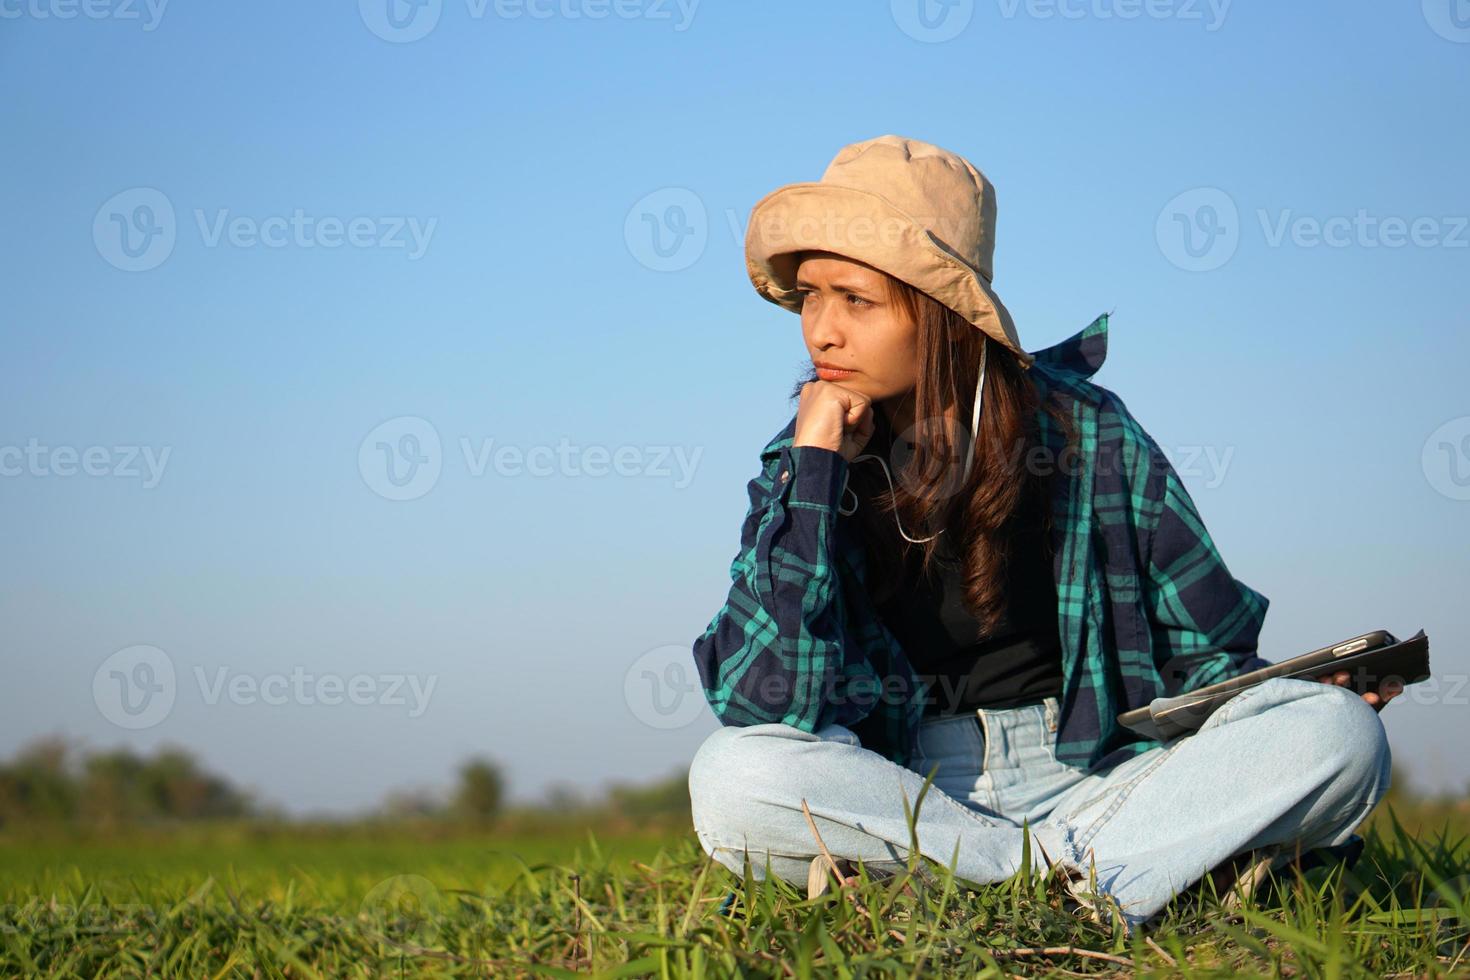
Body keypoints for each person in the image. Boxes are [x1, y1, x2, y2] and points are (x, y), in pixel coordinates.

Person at [686, 135, 1399, 933]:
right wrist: (814, 474)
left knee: (1338, 734)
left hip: (1098, 773)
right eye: (811, 296)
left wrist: (1285, 693)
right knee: (731, 776)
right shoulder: (806, 461)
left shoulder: (1087, 431)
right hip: (902, 788)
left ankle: (999, 888)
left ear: (943, 314)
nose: (821, 330)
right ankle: (1088, 884)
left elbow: (1206, 648)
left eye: (856, 300)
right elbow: (764, 700)